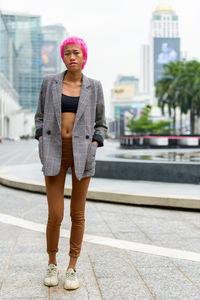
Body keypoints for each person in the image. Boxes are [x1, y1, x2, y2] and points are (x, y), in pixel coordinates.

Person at [34, 36, 108, 290]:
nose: (72, 57)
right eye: (67, 53)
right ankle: (52, 264)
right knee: (55, 214)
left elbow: (101, 123)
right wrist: (41, 138)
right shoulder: (50, 83)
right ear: (63, 57)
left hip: (82, 154)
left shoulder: (94, 86)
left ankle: (72, 267)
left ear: (84, 57)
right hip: (54, 150)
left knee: (78, 214)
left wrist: (95, 144)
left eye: (76, 52)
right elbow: (40, 117)